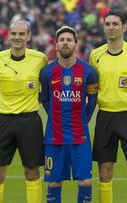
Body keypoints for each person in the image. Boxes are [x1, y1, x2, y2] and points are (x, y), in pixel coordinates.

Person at [0, 20, 48, 203]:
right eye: (14, 33)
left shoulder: (40, 59)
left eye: (22, 34)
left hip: (30, 121)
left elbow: (44, 88)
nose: (17, 37)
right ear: (8, 35)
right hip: (4, 120)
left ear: (28, 36)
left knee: (32, 172)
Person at [89, 10, 127, 203]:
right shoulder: (95, 55)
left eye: (115, 23)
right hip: (105, 117)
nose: (111, 27)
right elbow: (92, 88)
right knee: (104, 173)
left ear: (124, 27)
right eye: (108, 24)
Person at [40, 25, 98, 203]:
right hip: (54, 136)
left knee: (86, 181)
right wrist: (56, 117)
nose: (65, 43)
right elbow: (46, 100)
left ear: (76, 44)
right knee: (54, 183)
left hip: (79, 135)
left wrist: (83, 120)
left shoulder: (89, 71)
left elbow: (92, 100)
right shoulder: (46, 72)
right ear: (56, 44)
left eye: (69, 40)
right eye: (62, 40)